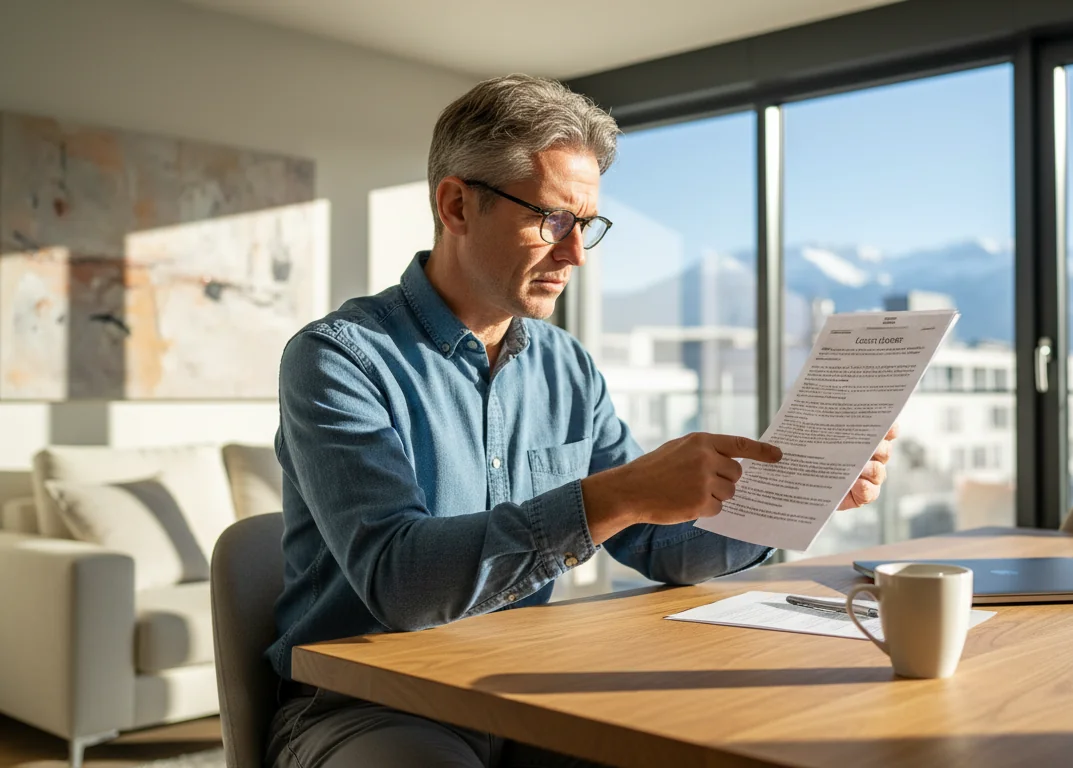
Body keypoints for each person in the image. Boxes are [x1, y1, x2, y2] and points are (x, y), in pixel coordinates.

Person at [263, 74, 898, 768]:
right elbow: (399, 580)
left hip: (527, 690)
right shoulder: (338, 359)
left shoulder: (567, 367)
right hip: (370, 707)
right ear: (456, 205)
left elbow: (657, 548)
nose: (575, 255)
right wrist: (617, 494)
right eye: (553, 220)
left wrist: (794, 496)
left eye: (586, 226)